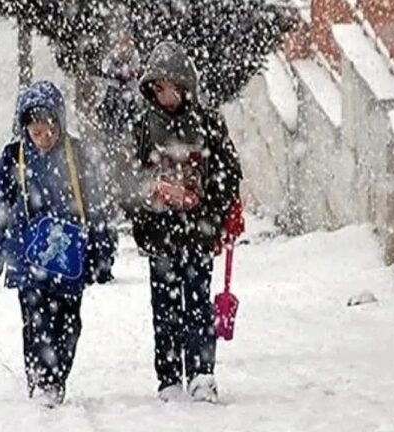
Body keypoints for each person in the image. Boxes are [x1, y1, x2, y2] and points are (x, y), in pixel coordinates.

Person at [0, 81, 114, 408]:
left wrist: (102, 255)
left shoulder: (78, 156)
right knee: (35, 321)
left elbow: (97, 208)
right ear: (25, 128)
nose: (43, 138)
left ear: (60, 124)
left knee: (69, 323)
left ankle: (57, 376)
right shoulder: (12, 159)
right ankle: (40, 380)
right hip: (28, 259)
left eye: (49, 130)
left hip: (70, 260)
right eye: (36, 132)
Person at [122, 41, 244, 402]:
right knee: (165, 307)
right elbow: (128, 179)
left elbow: (227, 173)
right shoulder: (143, 127)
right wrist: (148, 201)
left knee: (198, 303)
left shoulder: (207, 123)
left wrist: (214, 213)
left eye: (170, 88)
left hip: (198, 232)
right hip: (160, 234)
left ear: (185, 86)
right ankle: (169, 377)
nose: (165, 96)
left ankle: (203, 373)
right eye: (158, 89)